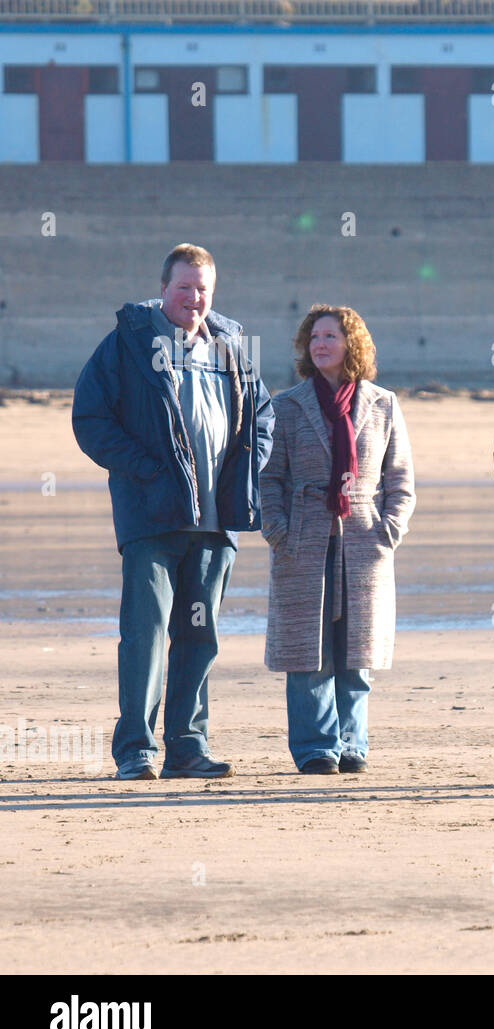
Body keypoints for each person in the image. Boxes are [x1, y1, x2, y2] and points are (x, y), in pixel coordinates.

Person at [72, 243, 275, 780]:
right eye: (184, 287)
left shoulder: (231, 347)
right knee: (145, 633)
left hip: (215, 524)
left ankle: (188, 748)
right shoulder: (130, 343)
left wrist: (246, 472)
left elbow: (261, 417)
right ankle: (135, 749)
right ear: (163, 288)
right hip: (152, 518)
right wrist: (146, 469)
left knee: (198, 636)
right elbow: (90, 419)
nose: (194, 297)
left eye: (203, 288)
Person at [260, 305, 416, 774]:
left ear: (352, 344)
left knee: (356, 650)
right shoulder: (286, 405)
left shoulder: (383, 403)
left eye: (330, 336)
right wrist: (279, 533)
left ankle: (352, 743)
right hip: (304, 538)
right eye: (314, 337)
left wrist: (389, 530)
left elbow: (400, 479)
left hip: (365, 539)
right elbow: (270, 479)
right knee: (307, 649)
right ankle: (314, 747)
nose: (320, 344)